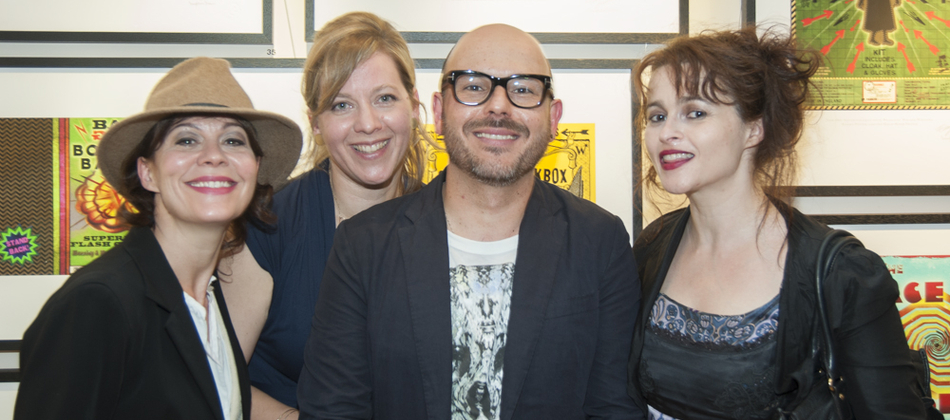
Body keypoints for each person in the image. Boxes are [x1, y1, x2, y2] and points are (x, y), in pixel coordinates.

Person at [297, 24, 643, 420]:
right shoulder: (361, 247)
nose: (499, 107)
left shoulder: (600, 243)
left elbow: (614, 409)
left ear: (553, 117)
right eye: (474, 87)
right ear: (439, 112)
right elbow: (333, 411)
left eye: (524, 89)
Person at [627, 27, 928, 419]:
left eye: (695, 113)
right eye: (657, 115)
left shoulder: (842, 273)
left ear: (753, 129)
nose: (666, 133)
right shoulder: (654, 245)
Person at [14, 57, 302, 420]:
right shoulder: (99, 302)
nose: (214, 156)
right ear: (147, 173)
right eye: (186, 140)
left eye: (232, 140)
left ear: (254, 169)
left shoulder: (209, 300)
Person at [217, 12, 428, 420]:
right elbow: (217, 377)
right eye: (341, 105)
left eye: (385, 98)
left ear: (414, 106)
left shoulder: (448, 223)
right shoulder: (267, 226)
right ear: (315, 122)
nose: (367, 123)